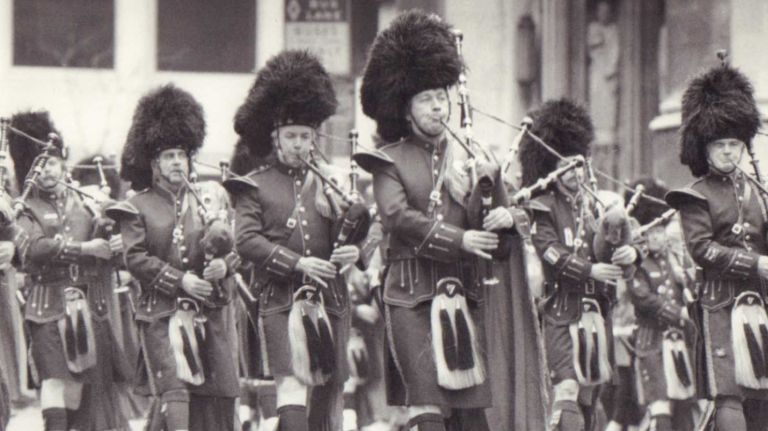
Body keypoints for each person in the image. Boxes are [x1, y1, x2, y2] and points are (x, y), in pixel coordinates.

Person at [354, 10, 502, 430]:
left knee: (472, 419)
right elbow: (397, 216)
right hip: (409, 298)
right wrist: (461, 241)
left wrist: (498, 208)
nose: (438, 106)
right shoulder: (387, 160)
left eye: (441, 95)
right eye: (425, 98)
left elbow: (488, 227)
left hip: (461, 293)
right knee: (428, 412)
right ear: (405, 109)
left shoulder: (468, 156)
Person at [224, 50, 358, 431]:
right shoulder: (255, 185)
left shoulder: (332, 181)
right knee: (291, 388)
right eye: (291, 136)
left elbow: (361, 230)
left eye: (305, 136)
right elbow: (246, 240)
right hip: (280, 299)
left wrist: (354, 250)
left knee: (324, 397)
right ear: (275, 138)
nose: (300, 144)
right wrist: (297, 262)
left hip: (328, 299)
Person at [109, 84, 240, 430]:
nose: (177, 162)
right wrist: (180, 279)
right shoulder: (137, 205)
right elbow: (134, 258)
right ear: (154, 163)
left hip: (206, 316)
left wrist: (223, 265)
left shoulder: (206, 199)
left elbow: (236, 250)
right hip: (161, 316)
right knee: (175, 398)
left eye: (181, 155)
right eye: (169, 156)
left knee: (217, 402)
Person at [520, 99, 639, 431]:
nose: (575, 173)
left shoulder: (599, 205)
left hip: (596, 312)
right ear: (553, 168)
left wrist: (629, 257)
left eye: (579, 164)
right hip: (561, 310)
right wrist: (589, 271)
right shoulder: (543, 207)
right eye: (566, 166)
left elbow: (613, 253)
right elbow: (550, 251)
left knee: (589, 395)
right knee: (567, 388)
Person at [666, 62, 768, 431]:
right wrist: (755, 264)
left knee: (761, 401)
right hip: (720, 305)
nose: (729, 152)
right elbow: (702, 249)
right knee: (729, 396)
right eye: (720, 144)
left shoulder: (759, 192)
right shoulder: (693, 196)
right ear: (704, 147)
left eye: (735, 144)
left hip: (761, 303)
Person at [10, 111, 128, 430]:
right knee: (54, 380)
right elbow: (34, 248)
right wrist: (85, 249)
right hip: (45, 306)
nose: (45, 170)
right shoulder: (25, 209)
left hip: (85, 307)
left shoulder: (87, 203)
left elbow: (107, 249)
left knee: (76, 389)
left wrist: (112, 244)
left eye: (50, 162)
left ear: (63, 162)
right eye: (37, 165)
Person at [627, 177, 696, 431]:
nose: (657, 237)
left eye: (659, 231)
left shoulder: (673, 261)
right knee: (661, 410)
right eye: (651, 232)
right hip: (652, 342)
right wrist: (679, 313)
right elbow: (644, 299)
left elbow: (689, 291)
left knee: (684, 408)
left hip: (677, 342)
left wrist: (685, 277)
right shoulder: (637, 266)